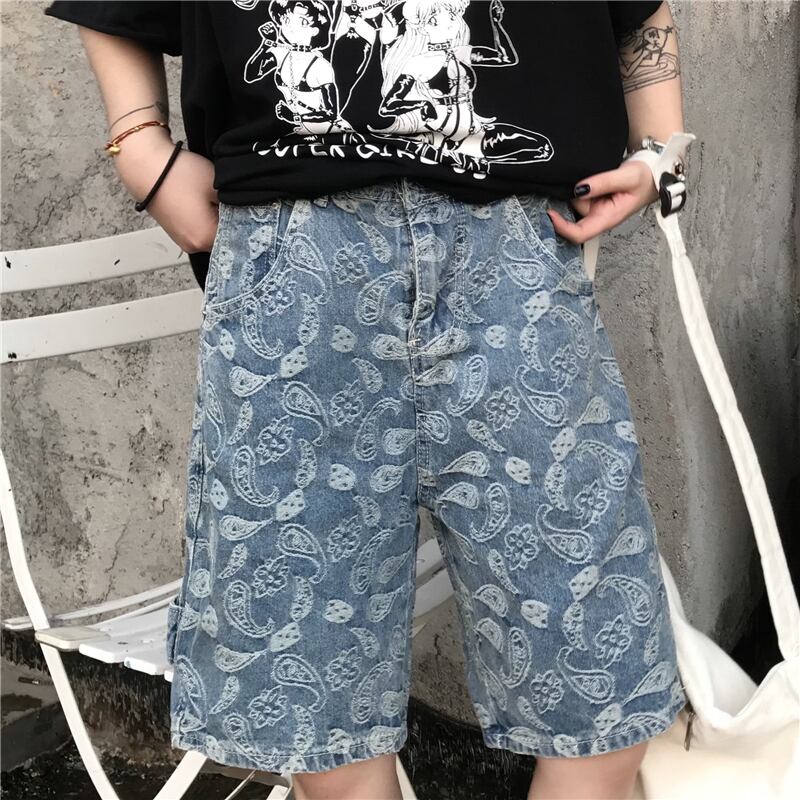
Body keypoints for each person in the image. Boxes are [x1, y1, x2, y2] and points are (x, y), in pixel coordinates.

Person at [43, 2, 687, 798]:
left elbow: (640, 9)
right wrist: (140, 147)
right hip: (297, 267)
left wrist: (661, 151)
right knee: (325, 735)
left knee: (601, 696)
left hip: (519, 263)